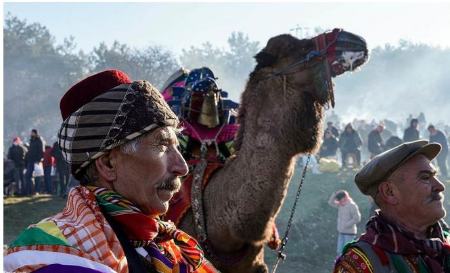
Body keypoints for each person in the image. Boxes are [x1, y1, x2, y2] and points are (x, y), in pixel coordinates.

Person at [4, 70, 218, 273]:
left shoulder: (163, 246)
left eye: (177, 147)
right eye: (162, 145)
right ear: (108, 164)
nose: (181, 167)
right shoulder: (48, 258)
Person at [333, 140, 449, 273]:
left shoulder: (446, 243)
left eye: (435, 176)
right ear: (390, 192)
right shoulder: (359, 264)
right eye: (425, 177)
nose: (440, 186)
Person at [328, 190, 361, 257]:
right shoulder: (340, 205)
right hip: (341, 232)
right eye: (339, 201)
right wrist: (335, 193)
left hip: (349, 233)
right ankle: (339, 265)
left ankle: (348, 266)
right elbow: (330, 202)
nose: (340, 202)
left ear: (346, 197)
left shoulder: (352, 205)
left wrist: (346, 225)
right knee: (339, 252)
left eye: (341, 200)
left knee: (347, 252)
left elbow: (357, 218)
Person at [23, 129, 44, 195]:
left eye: (32, 132)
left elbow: (41, 151)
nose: (31, 134)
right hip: (30, 161)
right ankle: (30, 190)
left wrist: (39, 160)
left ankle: (36, 191)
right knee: (27, 176)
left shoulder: (39, 140)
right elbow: (29, 151)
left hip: (36, 161)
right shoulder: (31, 141)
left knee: (37, 177)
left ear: (35, 133)